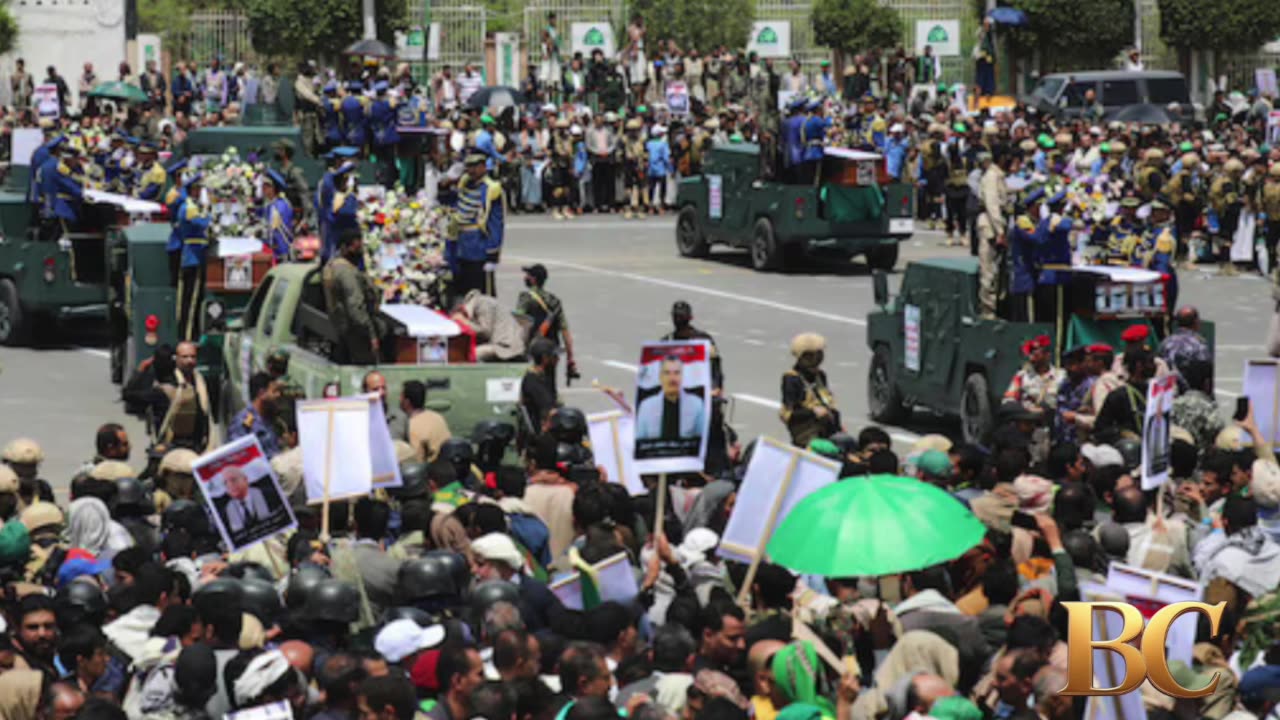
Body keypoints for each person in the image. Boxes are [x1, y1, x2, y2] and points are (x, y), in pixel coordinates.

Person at [322, 228, 384, 365]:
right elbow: (356, 307)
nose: (359, 251)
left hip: (343, 328)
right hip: (356, 332)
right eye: (356, 248)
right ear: (344, 248)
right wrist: (371, 335)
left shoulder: (333, 266)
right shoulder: (346, 272)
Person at [449, 152, 505, 298]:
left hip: (479, 247)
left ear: (483, 167)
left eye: (475, 167)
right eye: (469, 167)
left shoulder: (491, 189)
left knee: (483, 295)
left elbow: (496, 222)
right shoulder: (464, 183)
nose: (471, 170)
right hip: (461, 246)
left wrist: (493, 254)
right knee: (462, 294)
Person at [515, 264, 577, 379]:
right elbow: (565, 331)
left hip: (533, 350)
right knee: (550, 382)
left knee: (533, 382)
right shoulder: (555, 301)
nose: (525, 278)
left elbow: (519, 323)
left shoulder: (525, 298)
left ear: (533, 279)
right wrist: (570, 359)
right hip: (551, 350)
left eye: (528, 275)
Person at [781, 333, 839, 447]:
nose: (816, 360)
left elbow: (827, 400)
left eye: (819, 355)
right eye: (810, 356)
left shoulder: (820, 376)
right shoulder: (791, 379)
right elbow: (789, 415)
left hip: (827, 427)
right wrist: (813, 412)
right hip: (806, 432)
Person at [158, 341, 215, 452]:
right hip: (171, 446)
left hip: (196, 446)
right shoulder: (169, 383)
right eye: (185, 357)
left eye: (193, 357)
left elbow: (207, 414)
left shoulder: (200, 383)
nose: (190, 360)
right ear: (176, 358)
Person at [175, 173, 211, 342]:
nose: (200, 192)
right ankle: (187, 337)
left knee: (195, 300)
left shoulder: (193, 206)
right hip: (193, 256)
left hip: (196, 254)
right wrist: (209, 211)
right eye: (197, 189)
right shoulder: (189, 207)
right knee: (191, 300)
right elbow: (202, 223)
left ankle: (191, 334)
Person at [636, 355, 706, 440]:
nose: (672, 378)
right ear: (660, 377)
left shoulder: (697, 404)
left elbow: (703, 440)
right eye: (667, 373)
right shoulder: (646, 406)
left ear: (682, 376)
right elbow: (639, 440)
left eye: (676, 373)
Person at [976, 151, 1008, 319]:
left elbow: (994, 203)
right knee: (988, 270)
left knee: (994, 270)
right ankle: (988, 309)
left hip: (993, 223)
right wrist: (999, 230)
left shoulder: (993, 175)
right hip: (990, 225)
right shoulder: (992, 176)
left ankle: (992, 306)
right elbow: (992, 204)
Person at [230, 372, 284, 457]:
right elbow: (238, 455)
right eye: (274, 391)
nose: (278, 395)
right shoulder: (244, 421)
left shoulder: (270, 417)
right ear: (261, 394)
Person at [402, 380, 452, 462]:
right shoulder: (437, 417)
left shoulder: (411, 427)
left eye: (401, 396)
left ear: (407, 402)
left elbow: (416, 461)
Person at [520, 338, 561, 436]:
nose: (558, 360)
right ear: (545, 358)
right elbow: (550, 412)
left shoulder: (543, 376)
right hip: (541, 435)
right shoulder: (534, 381)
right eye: (554, 356)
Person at [223, 467, 271, 534]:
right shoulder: (227, 509)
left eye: (233, 480)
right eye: (225, 483)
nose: (229, 485)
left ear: (245, 479)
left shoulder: (266, 494)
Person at [261, 169, 295, 261]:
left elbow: (275, 232)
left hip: (280, 252)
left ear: (272, 188)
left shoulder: (278, 206)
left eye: (265, 186)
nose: (263, 189)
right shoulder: (272, 204)